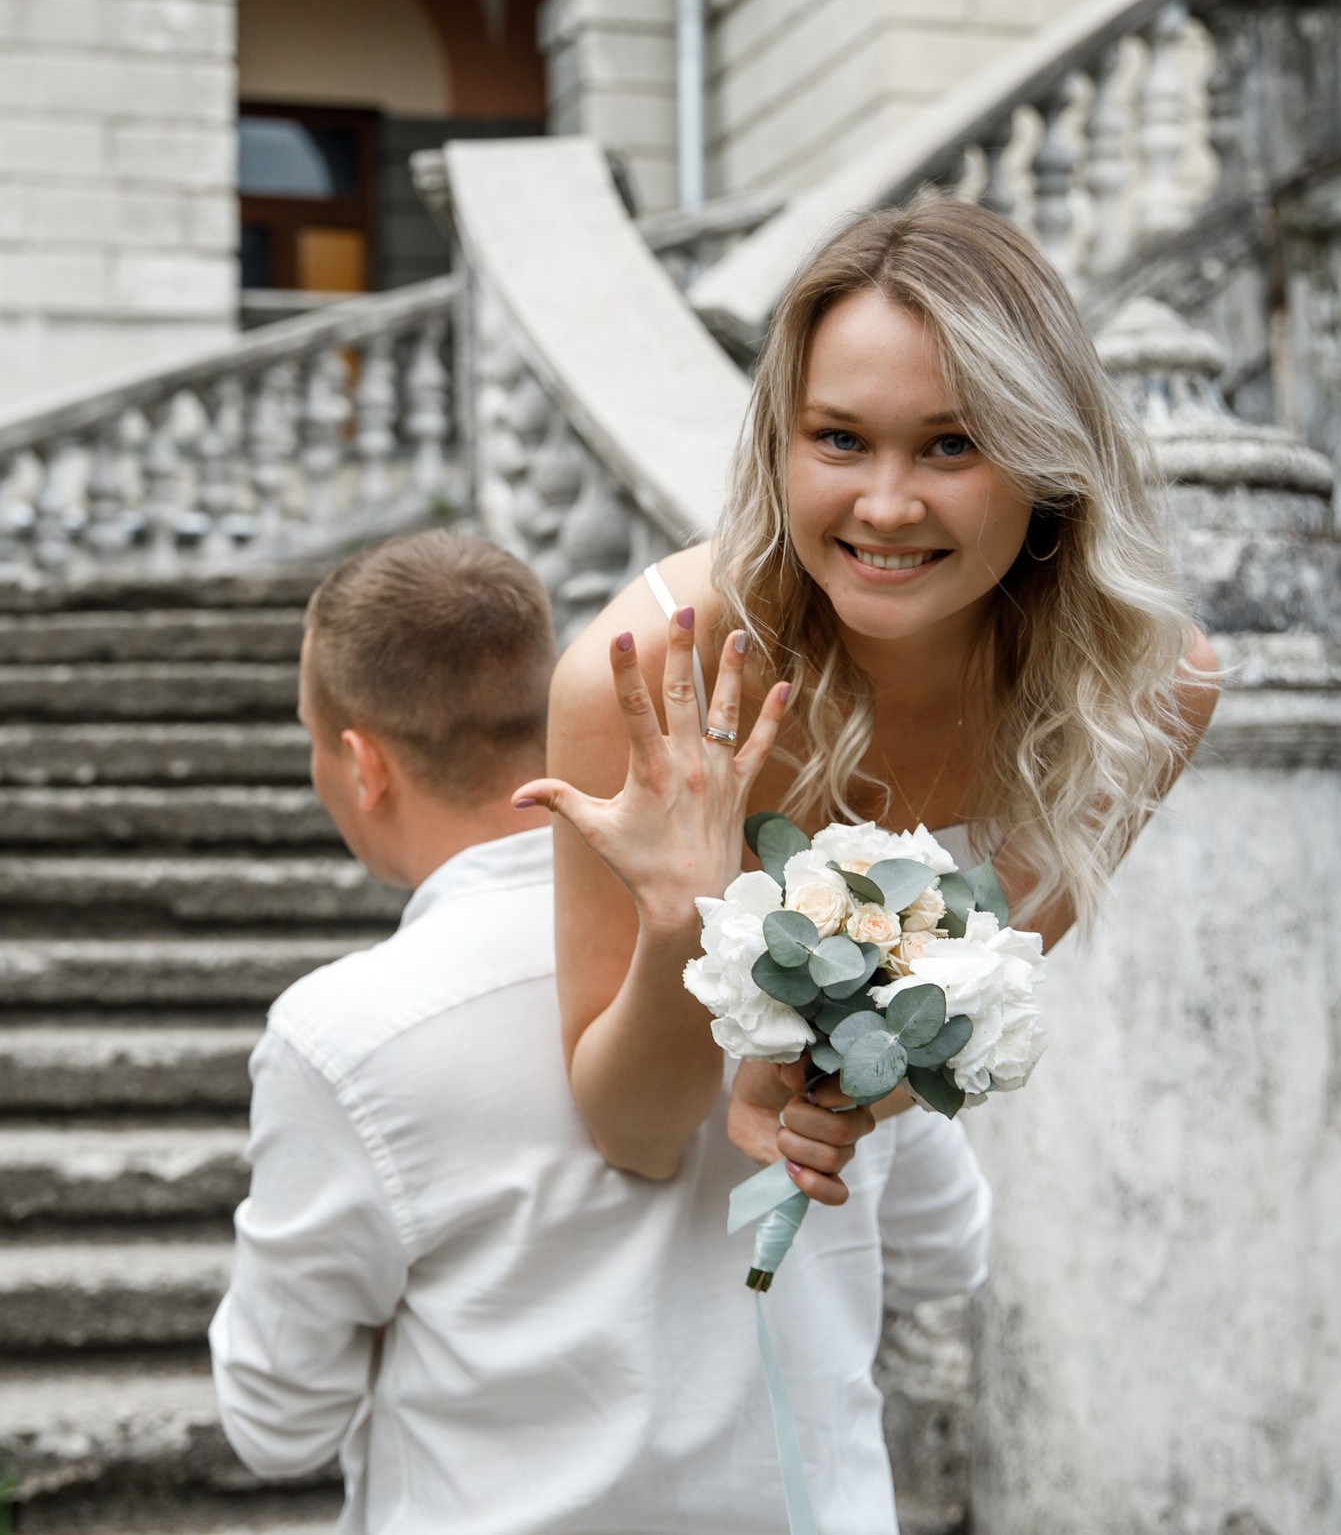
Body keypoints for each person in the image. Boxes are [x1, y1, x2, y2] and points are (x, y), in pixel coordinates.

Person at [210, 530, 992, 1533]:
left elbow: (278, 1422)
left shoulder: (347, 1035)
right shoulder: (814, 937)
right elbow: (943, 1255)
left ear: (360, 764)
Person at [515, 198, 1218, 1188]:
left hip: (847, 1205)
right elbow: (632, 1138)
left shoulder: (1144, 690)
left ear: (1047, 461)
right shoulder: (641, 678)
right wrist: (677, 915)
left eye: (950, 445)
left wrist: (831, 1095)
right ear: (780, 446)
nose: (886, 508)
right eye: (839, 440)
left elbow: (936, 1019)